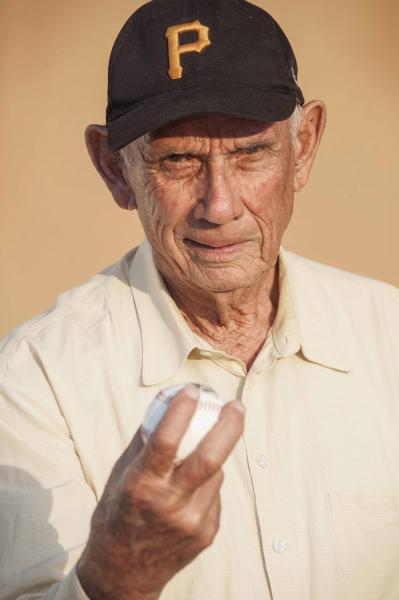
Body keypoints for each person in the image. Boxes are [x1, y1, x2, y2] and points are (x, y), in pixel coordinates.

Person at [1, 0, 399, 599]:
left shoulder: (389, 336)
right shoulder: (33, 380)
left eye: (250, 155)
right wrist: (114, 579)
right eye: (178, 160)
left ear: (305, 146)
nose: (219, 205)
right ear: (115, 170)